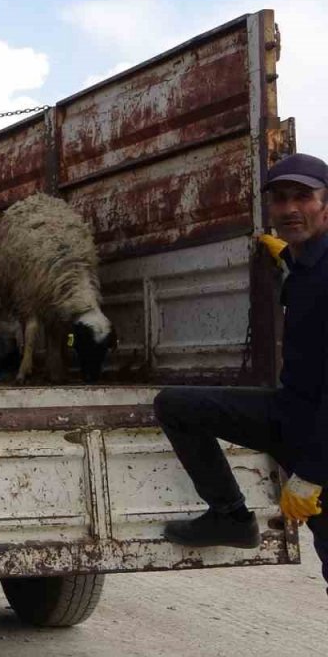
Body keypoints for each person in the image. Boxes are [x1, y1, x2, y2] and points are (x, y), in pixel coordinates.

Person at [155, 152, 328, 589]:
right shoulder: (305, 264)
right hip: (293, 413)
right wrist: (288, 260)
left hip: (321, 435)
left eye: (303, 198)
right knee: (177, 406)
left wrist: (313, 473)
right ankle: (231, 517)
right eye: (280, 199)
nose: (290, 209)